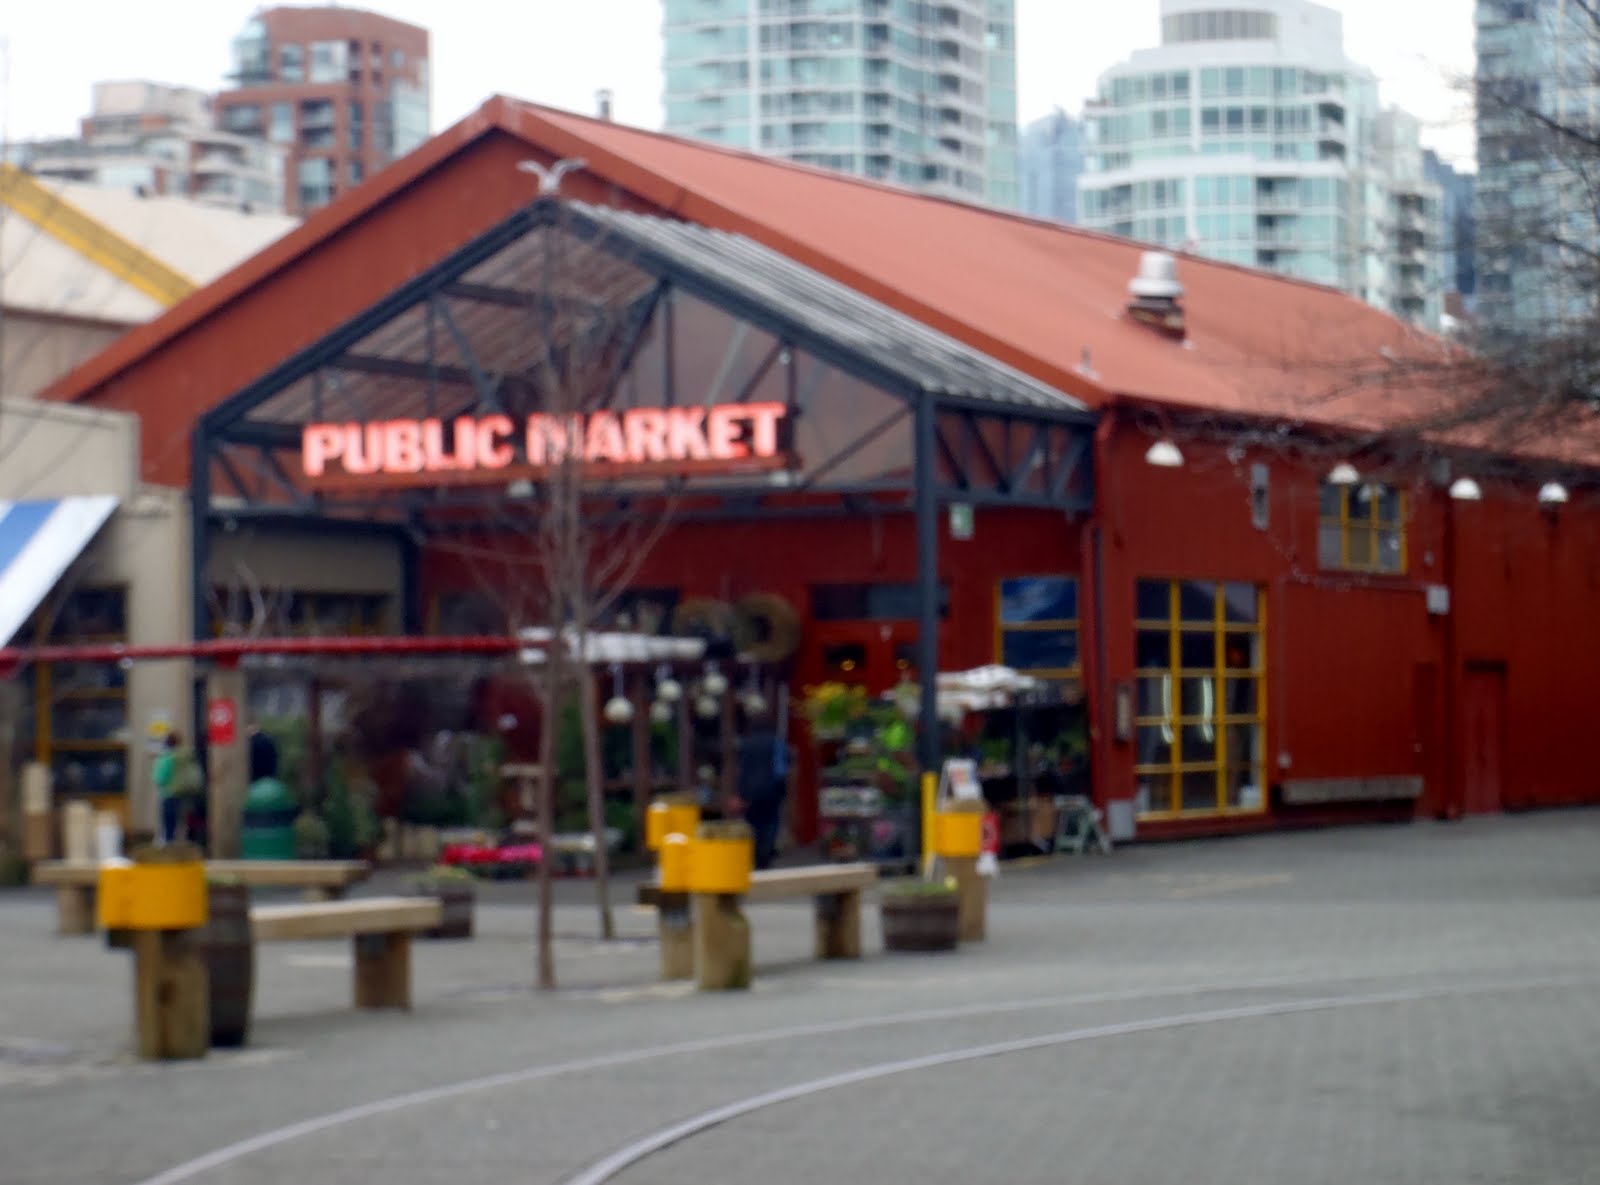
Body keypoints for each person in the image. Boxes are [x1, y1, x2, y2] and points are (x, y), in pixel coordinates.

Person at [737, 725, 789, 870]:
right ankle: (765, 855)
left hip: (751, 790)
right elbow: (781, 770)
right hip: (772, 789)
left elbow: (742, 769)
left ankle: (754, 854)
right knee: (770, 822)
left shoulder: (747, 743)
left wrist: (741, 793)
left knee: (753, 822)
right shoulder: (776, 743)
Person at [153, 732, 183, 843]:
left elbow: (159, 778)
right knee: (177, 823)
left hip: (168, 794)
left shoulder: (165, 758)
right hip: (182, 793)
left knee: (167, 824)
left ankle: (169, 846)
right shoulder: (182, 756)